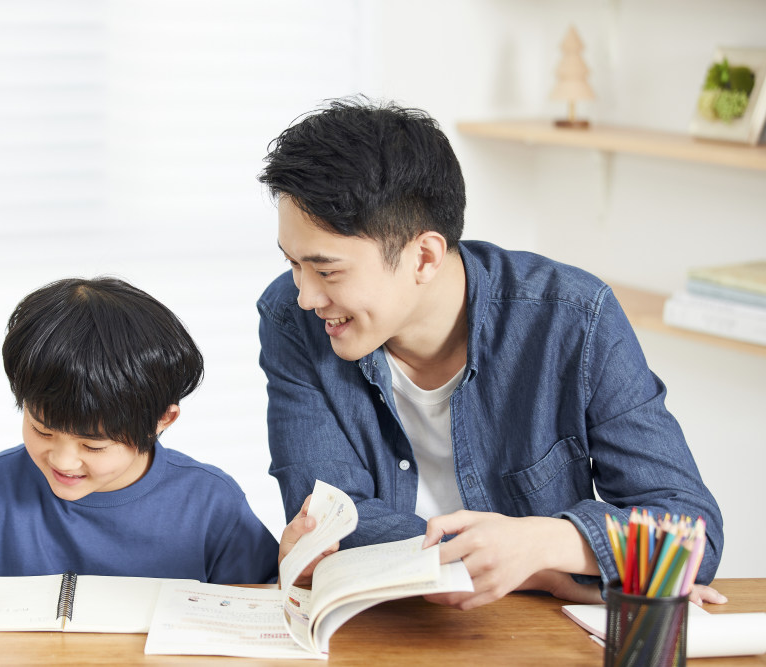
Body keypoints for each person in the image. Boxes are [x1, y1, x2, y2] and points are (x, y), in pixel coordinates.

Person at [258, 97, 725, 609]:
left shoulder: (572, 318)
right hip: (388, 629)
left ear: (425, 256)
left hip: (537, 636)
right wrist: (548, 573)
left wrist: (541, 543)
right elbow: (321, 523)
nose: (306, 295)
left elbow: (688, 533)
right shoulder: (293, 318)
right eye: (293, 264)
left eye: (326, 271)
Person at [0, 277, 279, 611]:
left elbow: (265, 602)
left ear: (162, 420)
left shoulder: (208, 502)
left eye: (93, 446)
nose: (62, 459)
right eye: (42, 429)